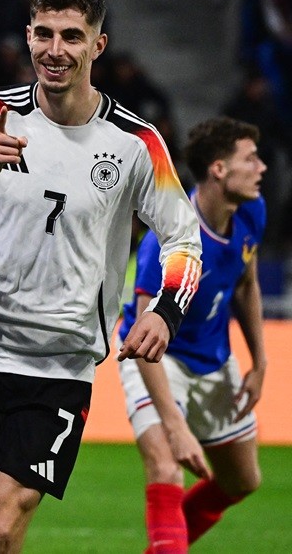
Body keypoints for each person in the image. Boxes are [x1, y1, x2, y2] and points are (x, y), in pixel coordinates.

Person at [0, 0, 202, 554]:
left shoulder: (135, 143)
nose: (55, 49)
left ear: (98, 45)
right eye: (43, 34)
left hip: (59, 366)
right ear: (28, 37)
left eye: (72, 36)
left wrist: (167, 312)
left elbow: (183, 239)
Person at [118, 117, 267, 554]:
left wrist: (260, 362)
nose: (262, 168)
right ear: (219, 169)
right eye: (251, 159)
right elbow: (146, 342)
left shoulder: (251, 209)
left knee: (243, 479)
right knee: (166, 469)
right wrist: (175, 424)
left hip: (215, 360)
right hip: (157, 360)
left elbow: (246, 282)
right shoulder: (167, 241)